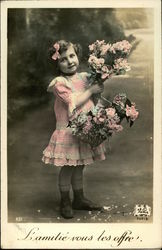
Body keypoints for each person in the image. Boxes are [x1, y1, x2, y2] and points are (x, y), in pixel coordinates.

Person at [42, 40, 106, 219]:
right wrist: (91, 90)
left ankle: (79, 198)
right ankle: (65, 200)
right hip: (69, 131)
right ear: (57, 64)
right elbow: (74, 101)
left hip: (84, 129)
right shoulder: (59, 83)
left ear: (77, 56)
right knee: (69, 167)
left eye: (72, 55)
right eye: (63, 59)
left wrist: (97, 88)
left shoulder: (85, 77)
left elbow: (94, 97)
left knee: (80, 166)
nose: (70, 61)